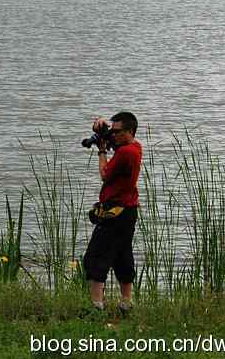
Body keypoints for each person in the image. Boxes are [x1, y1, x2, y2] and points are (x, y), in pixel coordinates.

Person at [83, 111, 142, 315]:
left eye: (117, 132)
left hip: (115, 212)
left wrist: (101, 151)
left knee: (97, 256)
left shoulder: (125, 153)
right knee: (122, 256)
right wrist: (103, 129)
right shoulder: (135, 147)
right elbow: (116, 143)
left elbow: (105, 174)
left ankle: (96, 306)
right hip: (129, 211)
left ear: (129, 131)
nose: (114, 135)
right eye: (112, 131)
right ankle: (126, 303)